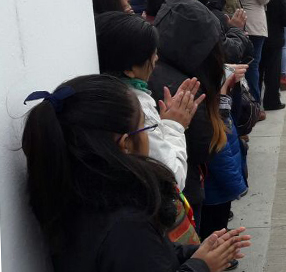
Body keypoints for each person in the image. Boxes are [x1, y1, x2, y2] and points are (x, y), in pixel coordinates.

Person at [21, 75, 251, 272]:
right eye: (148, 128)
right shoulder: (127, 225)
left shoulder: (74, 191)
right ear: (125, 143)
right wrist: (202, 266)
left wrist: (193, 253)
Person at [149, 0, 248, 238]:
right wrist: (223, 97)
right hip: (190, 190)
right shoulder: (187, 87)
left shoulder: (162, 69)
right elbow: (209, 145)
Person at [95, 10, 205, 191]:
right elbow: (170, 176)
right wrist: (173, 126)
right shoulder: (136, 109)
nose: (156, 59)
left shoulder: (98, 95)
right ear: (130, 69)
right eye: (152, 54)